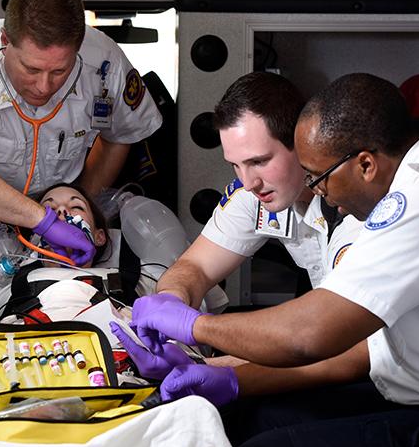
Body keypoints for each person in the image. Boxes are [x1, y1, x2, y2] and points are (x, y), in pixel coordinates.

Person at [123, 73, 419, 447]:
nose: (317, 188)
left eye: (316, 174)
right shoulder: (409, 184)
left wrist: (199, 332)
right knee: (245, 422)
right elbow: (196, 268)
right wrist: (185, 329)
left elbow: (315, 339)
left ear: (360, 163)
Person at [0, 0, 163, 265]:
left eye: (59, 71)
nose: (44, 86)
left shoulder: (104, 61)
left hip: (52, 203)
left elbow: (122, 134)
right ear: (5, 40)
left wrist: (76, 207)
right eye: (31, 69)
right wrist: (43, 221)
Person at [151, 71, 362, 310]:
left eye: (258, 162)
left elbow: (356, 340)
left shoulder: (358, 206)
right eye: (235, 165)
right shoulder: (257, 193)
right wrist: (170, 301)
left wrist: (197, 328)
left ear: (301, 141)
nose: (249, 182)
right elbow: (195, 266)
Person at [0, 182, 159, 321]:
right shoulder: (14, 288)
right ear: (35, 238)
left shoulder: (132, 282)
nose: (61, 211)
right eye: (48, 210)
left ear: (99, 236)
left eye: (76, 207)